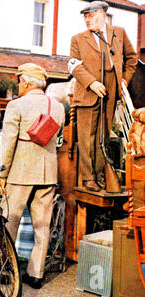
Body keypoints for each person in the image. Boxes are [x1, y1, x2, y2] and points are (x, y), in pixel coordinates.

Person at [0, 63, 65, 289]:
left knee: (8, 223)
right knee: (42, 226)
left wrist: (2, 173)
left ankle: (6, 271)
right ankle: (36, 274)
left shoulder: (15, 105)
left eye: (19, 81)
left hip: (19, 172)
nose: (18, 85)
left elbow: (8, 142)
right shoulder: (57, 106)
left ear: (26, 83)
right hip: (47, 174)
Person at [68, 1, 137, 192]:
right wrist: (91, 82)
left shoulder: (119, 33)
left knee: (104, 136)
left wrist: (123, 80)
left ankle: (100, 175)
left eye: (91, 16)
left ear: (103, 15)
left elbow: (132, 59)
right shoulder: (78, 39)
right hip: (88, 92)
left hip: (111, 93)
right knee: (87, 137)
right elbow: (73, 64)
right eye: (85, 17)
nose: (87, 20)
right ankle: (89, 178)